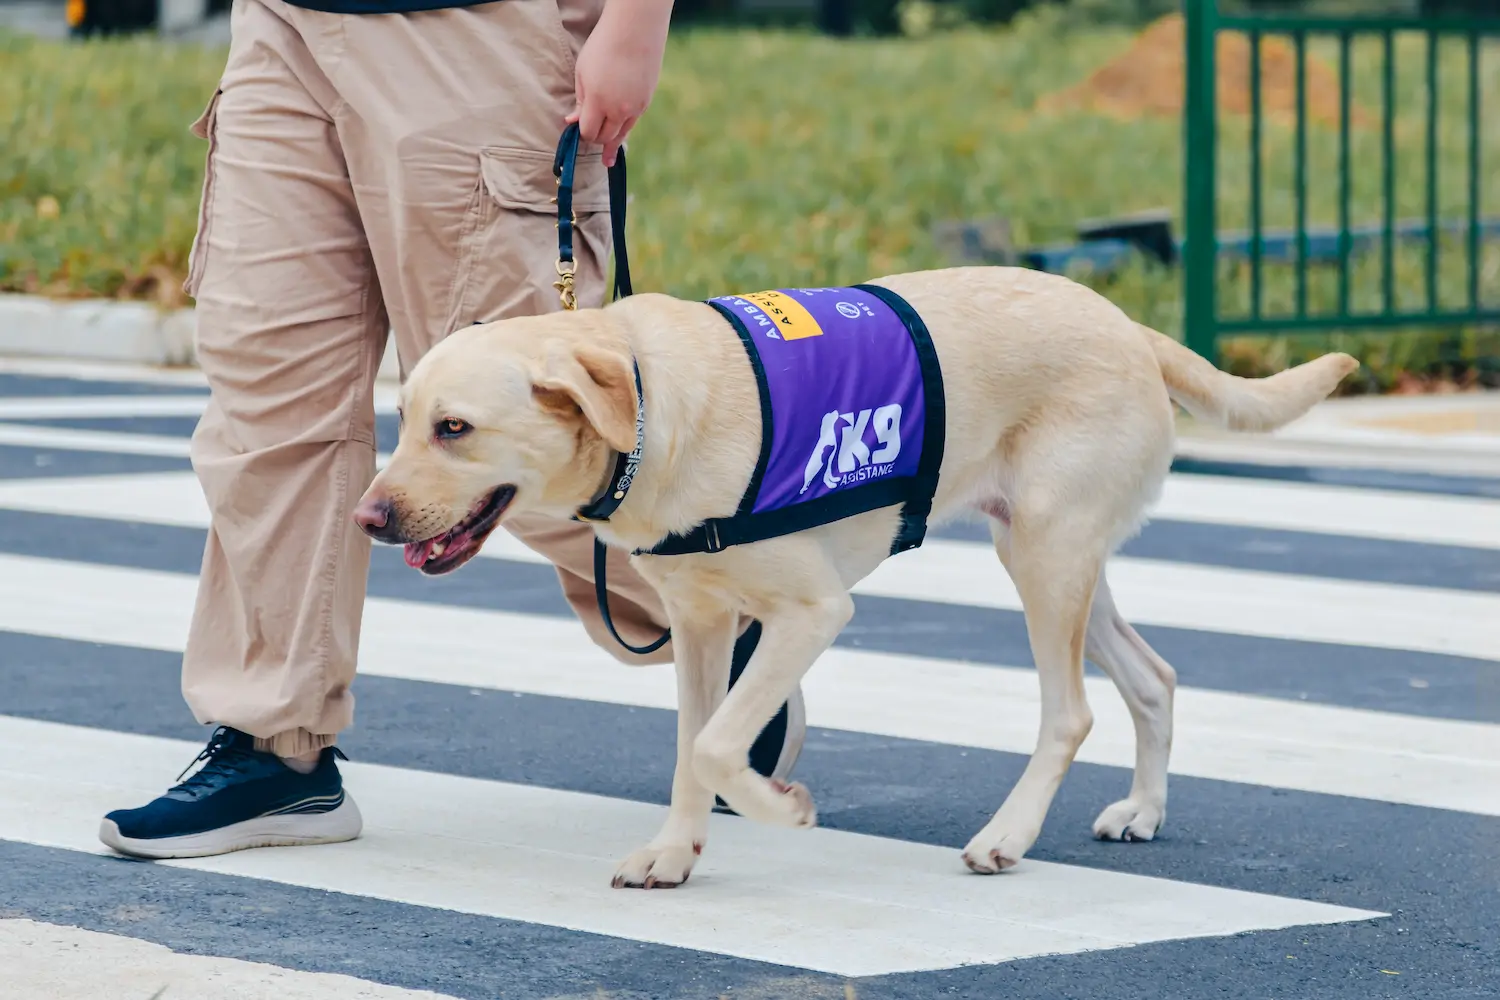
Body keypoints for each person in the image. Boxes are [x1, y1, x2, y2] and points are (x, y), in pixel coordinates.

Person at [98, 0, 803, 859]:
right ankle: (275, 749)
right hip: (282, 24)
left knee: (528, 428)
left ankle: (721, 613)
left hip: (480, 31)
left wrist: (636, 20)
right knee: (268, 411)